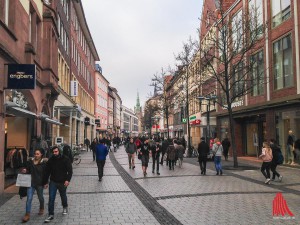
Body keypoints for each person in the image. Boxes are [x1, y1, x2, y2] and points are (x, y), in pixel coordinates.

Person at [43, 146, 73, 223]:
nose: (54, 153)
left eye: (56, 152)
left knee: (63, 196)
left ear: (59, 151)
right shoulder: (51, 160)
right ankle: (51, 214)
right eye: (53, 152)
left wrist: (67, 180)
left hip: (62, 181)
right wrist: (45, 182)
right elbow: (47, 172)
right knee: (51, 198)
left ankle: (65, 206)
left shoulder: (65, 159)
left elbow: (70, 171)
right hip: (53, 181)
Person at [21, 149, 47, 223]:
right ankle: (27, 214)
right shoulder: (30, 162)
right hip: (31, 184)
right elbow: (27, 169)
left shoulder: (43, 163)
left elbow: (46, 174)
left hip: (40, 184)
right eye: (35, 153)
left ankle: (41, 208)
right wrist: (25, 170)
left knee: (40, 197)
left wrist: (46, 183)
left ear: (41, 154)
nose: (36, 155)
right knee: (29, 199)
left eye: (37, 154)